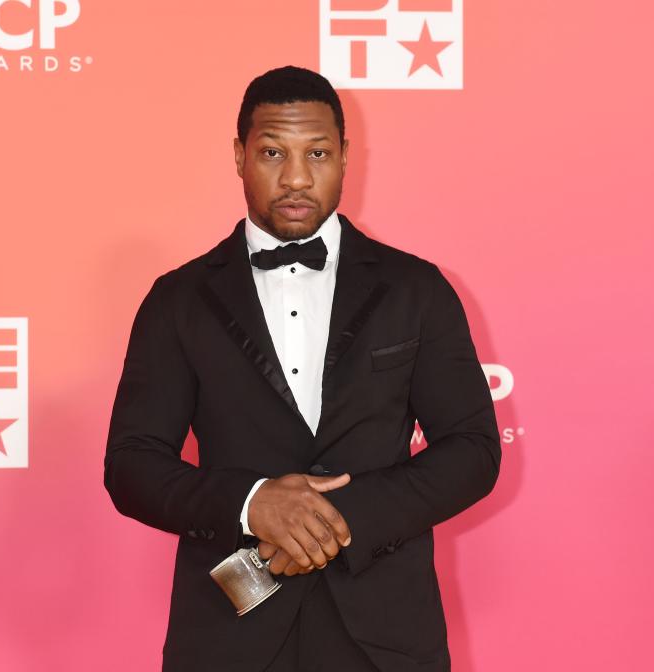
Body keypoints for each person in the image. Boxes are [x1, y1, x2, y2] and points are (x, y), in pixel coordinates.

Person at [104, 65, 501, 672]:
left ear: (345, 156)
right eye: (271, 152)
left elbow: (472, 450)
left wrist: (339, 520)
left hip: (386, 636)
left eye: (316, 153)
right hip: (229, 633)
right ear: (239, 156)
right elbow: (132, 464)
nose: (295, 177)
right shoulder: (178, 300)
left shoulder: (416, 290)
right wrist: (252, 502)